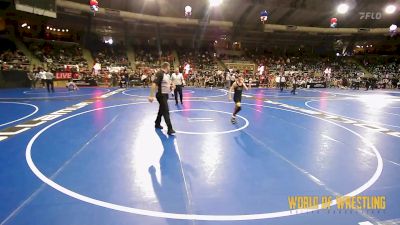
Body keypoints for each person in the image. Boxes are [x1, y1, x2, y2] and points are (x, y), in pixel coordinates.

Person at [148, 62, 176, 135]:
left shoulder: (167, 75)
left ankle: (157, 123)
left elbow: (167, 84)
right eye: (169, 67)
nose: (170, 69)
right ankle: (170, 129)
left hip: (165, 95)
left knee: (161, 110)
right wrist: (151, 95)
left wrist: (171, 86)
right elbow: (154, 84)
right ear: (166, 67)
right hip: (161, 95)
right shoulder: (160, 73)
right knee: (166, 111)